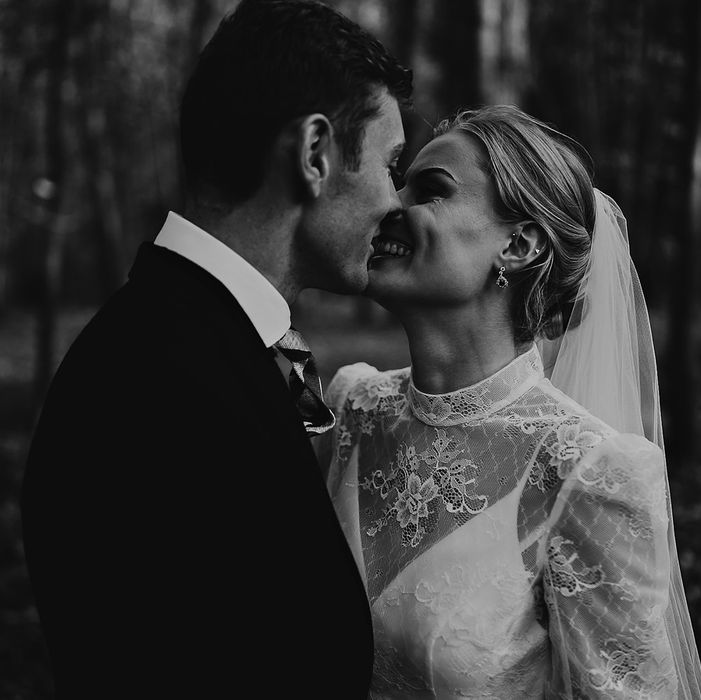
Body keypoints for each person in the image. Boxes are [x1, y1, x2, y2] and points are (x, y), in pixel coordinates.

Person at [21, 1, 411, 697]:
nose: (397, 202)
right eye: (391, 164)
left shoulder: (233, 343)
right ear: (316, 153)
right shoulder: (152, 383)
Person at [321, 105, 701, 698]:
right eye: (399, 180)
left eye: (430, 189)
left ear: (519, 244)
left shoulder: (590, 473)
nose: (389, 205)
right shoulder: (352, 407)